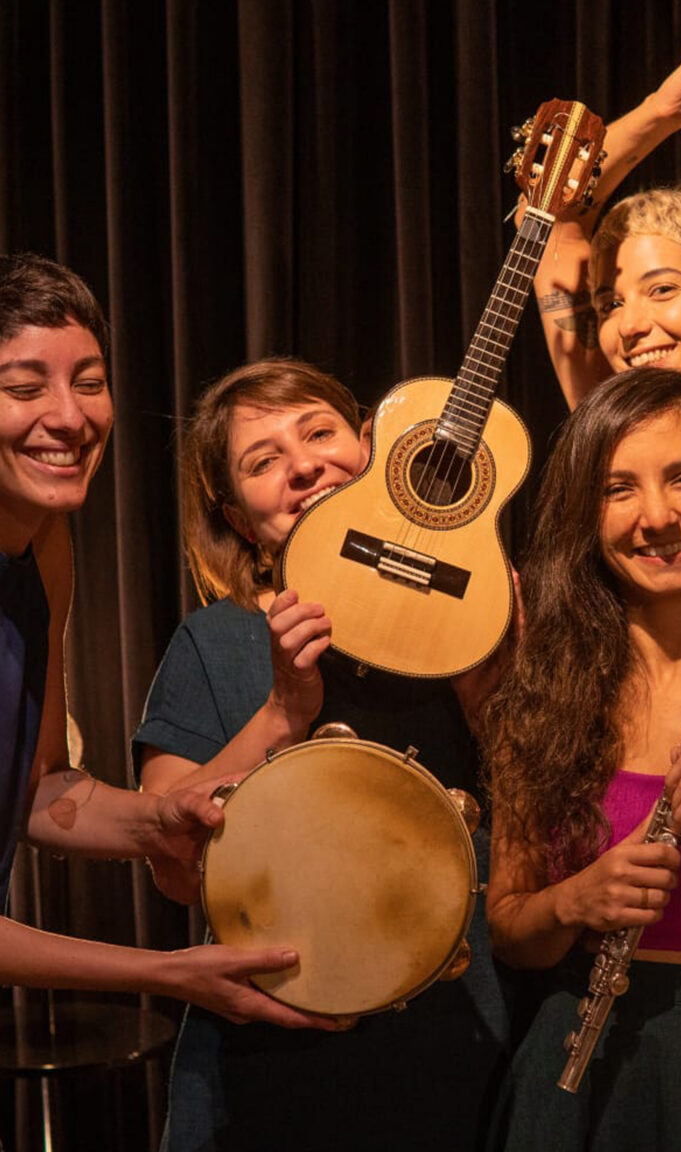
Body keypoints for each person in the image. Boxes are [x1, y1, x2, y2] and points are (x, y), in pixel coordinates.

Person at [132, 357, 511, 1152]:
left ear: (374, 450)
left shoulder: (478, 619)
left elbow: (555, 824)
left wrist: (487, 670)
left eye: (319, 432)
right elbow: (172, 866)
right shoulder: (215, 640)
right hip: (267, 1054)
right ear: (238, 520)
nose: (303, 464)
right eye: (262, 462)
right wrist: (282, 710)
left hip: (458, 1039)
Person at [0, 252, 338, 1030]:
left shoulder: (47, 545)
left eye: (88, 381)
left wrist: (158, 822)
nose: (71, 416)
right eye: (25, 388)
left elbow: (43, 791)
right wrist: (166, 972)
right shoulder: (210, 638)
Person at [485, 367, 681, 1151]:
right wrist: (575, 900)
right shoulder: (541, 694)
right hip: (584, 1066)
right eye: (618, 489)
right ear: (585, 514)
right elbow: (509, 927)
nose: (658, 517)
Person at [531, 1, 681, 491]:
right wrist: (663, 111)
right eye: (610, 304)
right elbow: (551, 214)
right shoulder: (616, 439)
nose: (630, 327)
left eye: (661, 290)